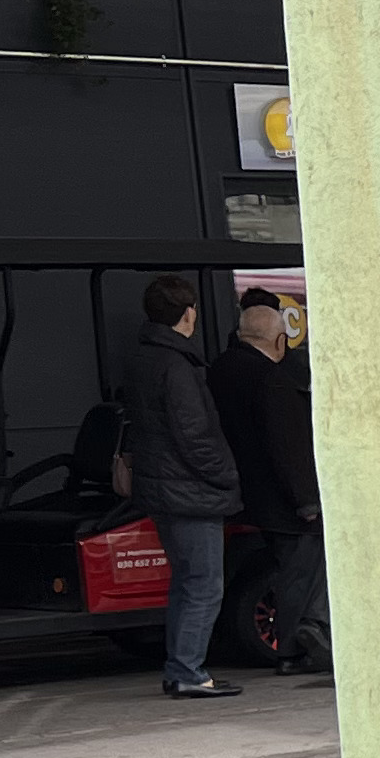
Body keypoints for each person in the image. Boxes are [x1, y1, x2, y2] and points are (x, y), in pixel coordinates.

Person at [123, 272, 242, 699]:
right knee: (204, 585)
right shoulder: (177, 365)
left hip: (162, 488)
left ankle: (181, 667)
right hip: (191, 492)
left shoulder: (144, 359)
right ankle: (188, 670)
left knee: (186, 582)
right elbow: (195, 436)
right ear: (189, 314)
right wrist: (228, 475)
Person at [209, 289, 331, 675]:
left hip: (240, 489)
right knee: (301, 570)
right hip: (280, 498)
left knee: (289, 568)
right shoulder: (273, 380)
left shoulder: (219, 370)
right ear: (280, 340)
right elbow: (288, 447)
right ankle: (295, 648)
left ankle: (300, 638)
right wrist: (307, 501)